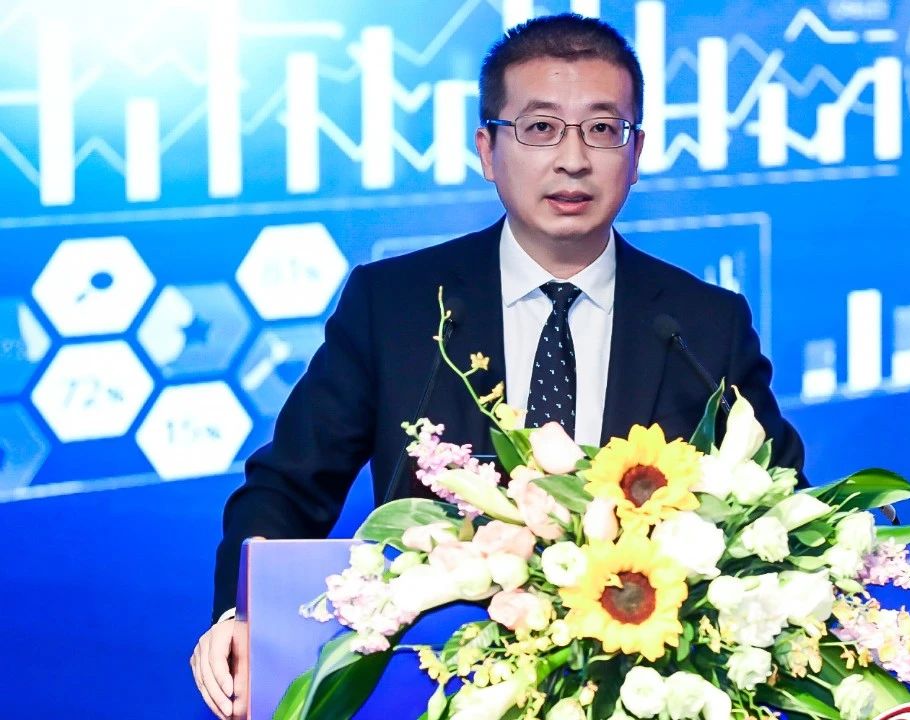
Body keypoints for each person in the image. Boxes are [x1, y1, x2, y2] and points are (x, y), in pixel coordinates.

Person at [191, 13, 804, 719]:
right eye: (540, 128)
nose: (573, 159)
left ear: (636, 152)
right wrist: (240, 616)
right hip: (434, 683)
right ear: (487, 149)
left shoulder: (704, 323)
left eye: (602, 129)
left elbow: (781, 505)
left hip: (642, 687)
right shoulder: (396, 305)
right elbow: (288, 486)